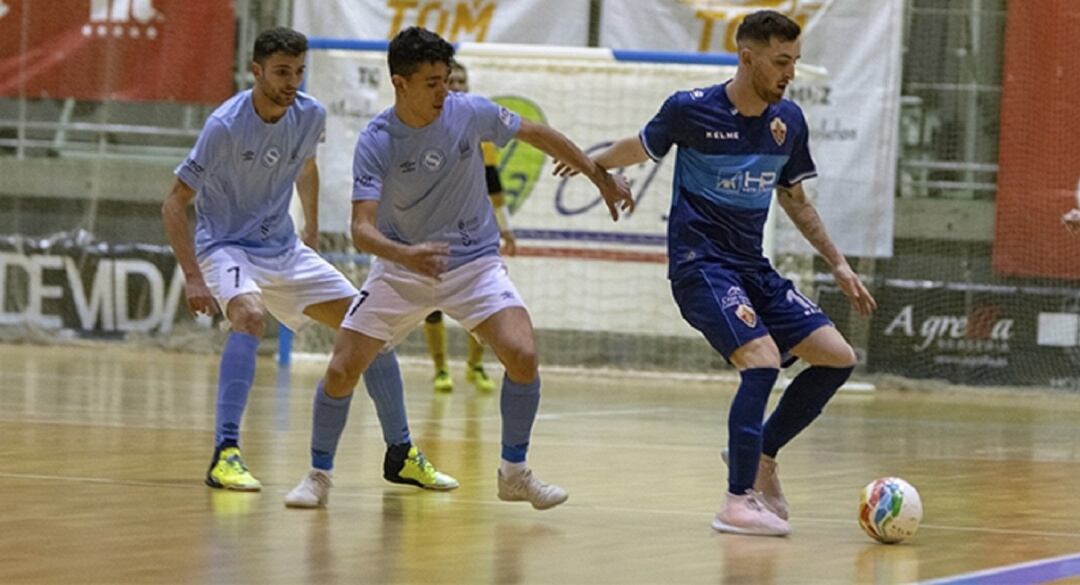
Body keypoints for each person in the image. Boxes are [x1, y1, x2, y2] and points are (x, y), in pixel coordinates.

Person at [283, 26, 633, 510]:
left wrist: (600, 177)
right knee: (342, 370)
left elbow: (537, 134)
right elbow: (362, 229)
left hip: (474, 266)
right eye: (432, 82)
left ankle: (514, 473)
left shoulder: (468, 112)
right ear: (399, 83)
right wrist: (405, 255)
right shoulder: (378, 139)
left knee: (523, 354)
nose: (444, 92)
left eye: (447, 79)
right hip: (402, 270)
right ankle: (318, 475)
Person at [559, 10, 876, 536]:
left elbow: (795, 200)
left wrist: (838, 263)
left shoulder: (788, 122)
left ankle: (760, 454)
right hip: (700, 265)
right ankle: (736, 500)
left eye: (795, 62)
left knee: (838, 358)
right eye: (780, 62)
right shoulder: (691, 110)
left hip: (753, 268)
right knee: (763, 361)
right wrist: (594, 167)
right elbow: (637, 147)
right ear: (746, 57)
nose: (789, 73)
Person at [162, 26, 456, 494]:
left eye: (299, 71)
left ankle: (401, 453)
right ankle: (226, 454)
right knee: (251, 317)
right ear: (256, 71)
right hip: (227, 247)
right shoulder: (224, 125)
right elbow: (174, 203)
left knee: (369, 328)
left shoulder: (310, 114)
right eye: (281, 72)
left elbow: (307, 167)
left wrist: (311, 230)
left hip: (284, 249)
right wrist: (194, 275)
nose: (291, 81)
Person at [424, 59, 517, 394]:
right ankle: (439, 369)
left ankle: (475, 364)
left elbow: (494, 184)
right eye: (453, 80)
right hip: (432, 228)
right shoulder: (422, 126)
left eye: (463, 80)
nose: (458, 85)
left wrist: (505, 227)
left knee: (481, 297)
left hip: (474, 230)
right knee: (432, 301)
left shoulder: (479, 126)